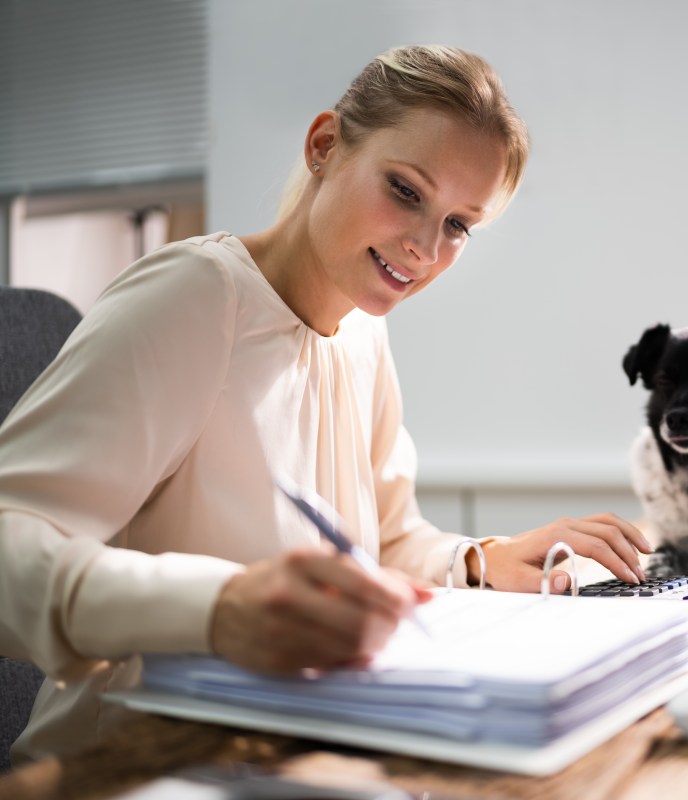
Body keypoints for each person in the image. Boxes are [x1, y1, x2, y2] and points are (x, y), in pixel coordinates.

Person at [0, 44, 651, 764]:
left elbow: (387, 544)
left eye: (459, 225)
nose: (424, 248)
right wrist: (216, 611)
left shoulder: (362, 332)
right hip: (125, 766)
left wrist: (477, 564)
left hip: (293, 754)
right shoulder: (196, 299)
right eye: (406, 190)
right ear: (324, 147)